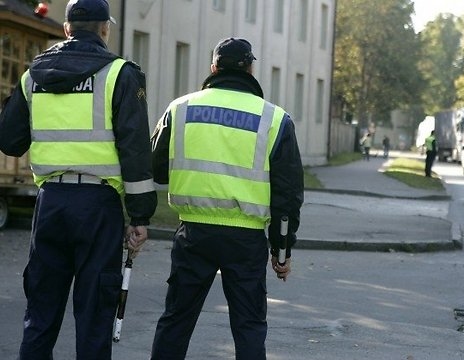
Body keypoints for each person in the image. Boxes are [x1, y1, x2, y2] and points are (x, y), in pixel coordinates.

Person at [0, 0, 157, 358]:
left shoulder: (32, 77)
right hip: (98, 208)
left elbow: (10, 141)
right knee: (94, 315)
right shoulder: (119, 74)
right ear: (105, 29)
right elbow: (135, 152)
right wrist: (140, 217)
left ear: (66, 28)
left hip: (50, 203)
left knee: (40, 312)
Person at [149, 37, 304, 360]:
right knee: (248, 326)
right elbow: (287, 195)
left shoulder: (180, 109)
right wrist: (282, 249)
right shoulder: (275, 119)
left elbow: (158, 169)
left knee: (176, 321)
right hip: (245, 239)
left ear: (213, 67)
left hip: (193, 233)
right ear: (250, 69)